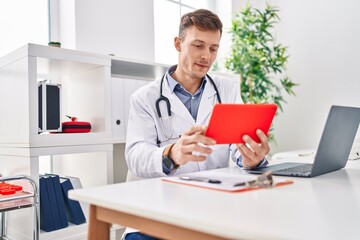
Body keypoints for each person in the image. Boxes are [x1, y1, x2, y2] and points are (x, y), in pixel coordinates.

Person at [124, 8, 269, 240]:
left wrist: (253, 158)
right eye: (198, 45)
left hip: (214, 208)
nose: (207, 57)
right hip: (160, 211)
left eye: (213, 49)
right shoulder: (145, 98)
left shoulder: (227, 89)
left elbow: (237, 144)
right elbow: (135, 155)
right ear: (178, 44)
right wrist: (172, 153)